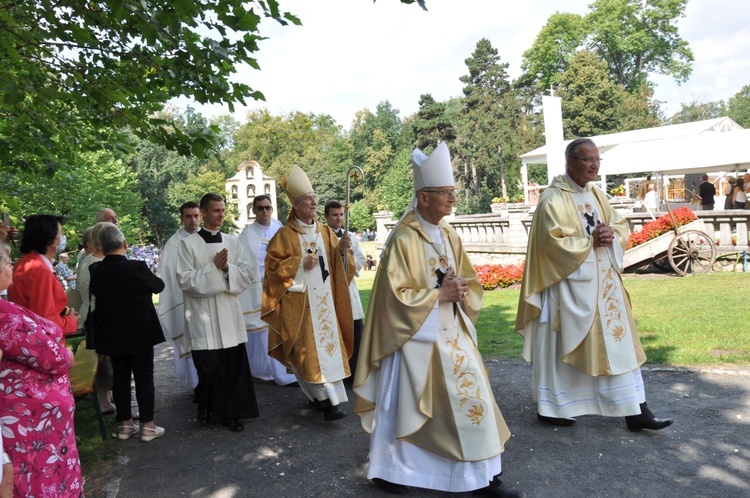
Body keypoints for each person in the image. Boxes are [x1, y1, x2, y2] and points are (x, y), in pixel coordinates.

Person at [353, 143, 517, 497]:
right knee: (409, 407)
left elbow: (469, 281)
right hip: (414, 339)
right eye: (446, 194)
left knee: (472, 400)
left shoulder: (448, 235)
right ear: (423, 197)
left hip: (452, 333)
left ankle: (481, 477)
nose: (452, 200)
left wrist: (459, 291)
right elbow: (393, 297)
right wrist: (436, 296)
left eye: (452, 193)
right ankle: (392, 470)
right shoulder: (402, 239)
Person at [515, 138, 673, 433]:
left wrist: (610, 234)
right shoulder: (552, 199)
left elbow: (619, 224)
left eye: (596, 160)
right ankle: (554, 407)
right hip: (569, 288)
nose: (594, 165)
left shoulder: (597, 194)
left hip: (605, 287)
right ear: (570, 162)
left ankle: (636, 409)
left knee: (618, 341)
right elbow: (550, 245)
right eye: (587, 160)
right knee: (565, 345)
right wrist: (590, 241)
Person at [262, 165, 355, 422]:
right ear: (296, 204)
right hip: (300, 304)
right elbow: (272, 268)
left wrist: (342, 251)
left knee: (327, 351)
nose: (314, 203)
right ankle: (324, 402)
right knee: (307, 354)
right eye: (308, 200)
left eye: (315, 199)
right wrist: (298, 264)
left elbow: (340, 268)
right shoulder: (285, 235)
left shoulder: (325, 232)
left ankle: (325, 400)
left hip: (326, 300)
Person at [0, 242, 84, 496]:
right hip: (30, 424)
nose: (10, 265)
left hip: (36, 421)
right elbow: (52, 355)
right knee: (39, 481)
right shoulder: (5, 315)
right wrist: (65, 348)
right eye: (4, 261)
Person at [176, 193, 258, 432]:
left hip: (229, 316)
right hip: (203, 318)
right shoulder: (187, 245)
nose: (221, 215)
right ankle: (206, 408)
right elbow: (185, 280)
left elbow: (245, 275)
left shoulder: (232, 242)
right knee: (209, 370)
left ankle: (231, 414)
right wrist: (214, 268)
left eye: (222, 210)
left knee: (232, 369)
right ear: (203, 213)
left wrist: (226, 269)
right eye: (215, 211)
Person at [91, 223, 167, 442]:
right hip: (141, 332)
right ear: (124, 244)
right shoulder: (137, 267)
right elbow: (159, 286)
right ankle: (148, 427)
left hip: (112, 333)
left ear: (102, 248)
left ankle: (125, 425)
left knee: (120, 379)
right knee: (144, 378)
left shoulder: (96, 270)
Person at [238, 196, 297, 386]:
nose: (264, 211)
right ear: (253, 211)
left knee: (284, 330)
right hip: (260, 289)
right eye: (260, 208)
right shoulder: (247, 235)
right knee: (264, 333)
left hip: (282, 286)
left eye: (268, 208)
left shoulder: (279, 226)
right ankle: (265, 370)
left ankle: (285, 371)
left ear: (272, 209)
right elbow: (244, 264)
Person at [8, 214, 81, 336]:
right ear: (50, 239)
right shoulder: (38, 270)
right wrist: (71, 322)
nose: (63, 237)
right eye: (61, 233)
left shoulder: (28, 263)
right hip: (41, 345)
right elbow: (45, 322)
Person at [158, 202, 201, 392]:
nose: (193, 220)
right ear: (181, 218)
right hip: (185, 300)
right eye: (188, 216)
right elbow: (168, 275)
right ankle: (196, 384)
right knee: (191, 342)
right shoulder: (173, 244)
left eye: (196, 215)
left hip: (208, 299)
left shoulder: (208, 237)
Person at [324, 199, 366, 379]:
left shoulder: (350, 236)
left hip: (349, 289)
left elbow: (360, 260)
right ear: (326, 216)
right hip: (331, 290)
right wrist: (339, 254)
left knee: (355, 331)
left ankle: (356, 370)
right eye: (335, 215)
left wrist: (348, 259)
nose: (339, 218)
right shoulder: (322, 236)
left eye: (341, 214)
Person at [78, 223, 117, 414]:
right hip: (99, 316)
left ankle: (108, 400)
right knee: (105, 362)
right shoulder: (94, 264)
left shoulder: (91, 261)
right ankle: (105, 401)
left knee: (107, 361)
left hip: (97, 314)